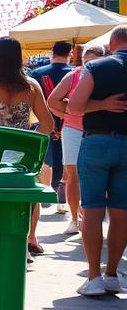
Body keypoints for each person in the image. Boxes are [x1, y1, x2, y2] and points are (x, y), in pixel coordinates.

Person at [0, 36, 54, 257]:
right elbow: (48, 124)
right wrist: (31, 141)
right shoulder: (31, 86)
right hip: (23, 152)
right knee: (26, 195)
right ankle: (26, 240)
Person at [67, 27, 127, 295]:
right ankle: (112, 274)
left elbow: (74, 107)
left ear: (112, 43)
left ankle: (94, 278)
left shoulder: (97, 67)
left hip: (97, 142)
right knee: (121, 211)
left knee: (91, 208)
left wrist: (102, 105)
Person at [48, 44, 105, 240]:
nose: (87, 65)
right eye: (84, 62)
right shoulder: (74, 76)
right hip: (73, 129)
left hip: (100, 130)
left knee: (99, 173)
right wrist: (67, 114)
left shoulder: (107, 75)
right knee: (73, 173)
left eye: (92, 62)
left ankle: (90, 215)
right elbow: (52, 100)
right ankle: (74, 218)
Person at [32, 41, 75, 215]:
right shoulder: (76, 74)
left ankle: (46, 192)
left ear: (52, 52)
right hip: (70, 124)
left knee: (44, 161)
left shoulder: (36, 73)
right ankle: (63, 201)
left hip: (42, 122)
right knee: (67, 163)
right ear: (70, 53)